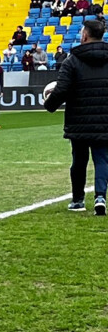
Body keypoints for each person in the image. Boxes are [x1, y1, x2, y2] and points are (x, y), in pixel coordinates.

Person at [45, 17, 108, 214]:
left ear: (85, 35)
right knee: (102, 159)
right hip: (104, 120)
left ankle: (78, 200)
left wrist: (49, 105)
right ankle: (100, 197)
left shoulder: (72, 60)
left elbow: (61, 89)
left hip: (78, 120)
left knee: (79, 161)